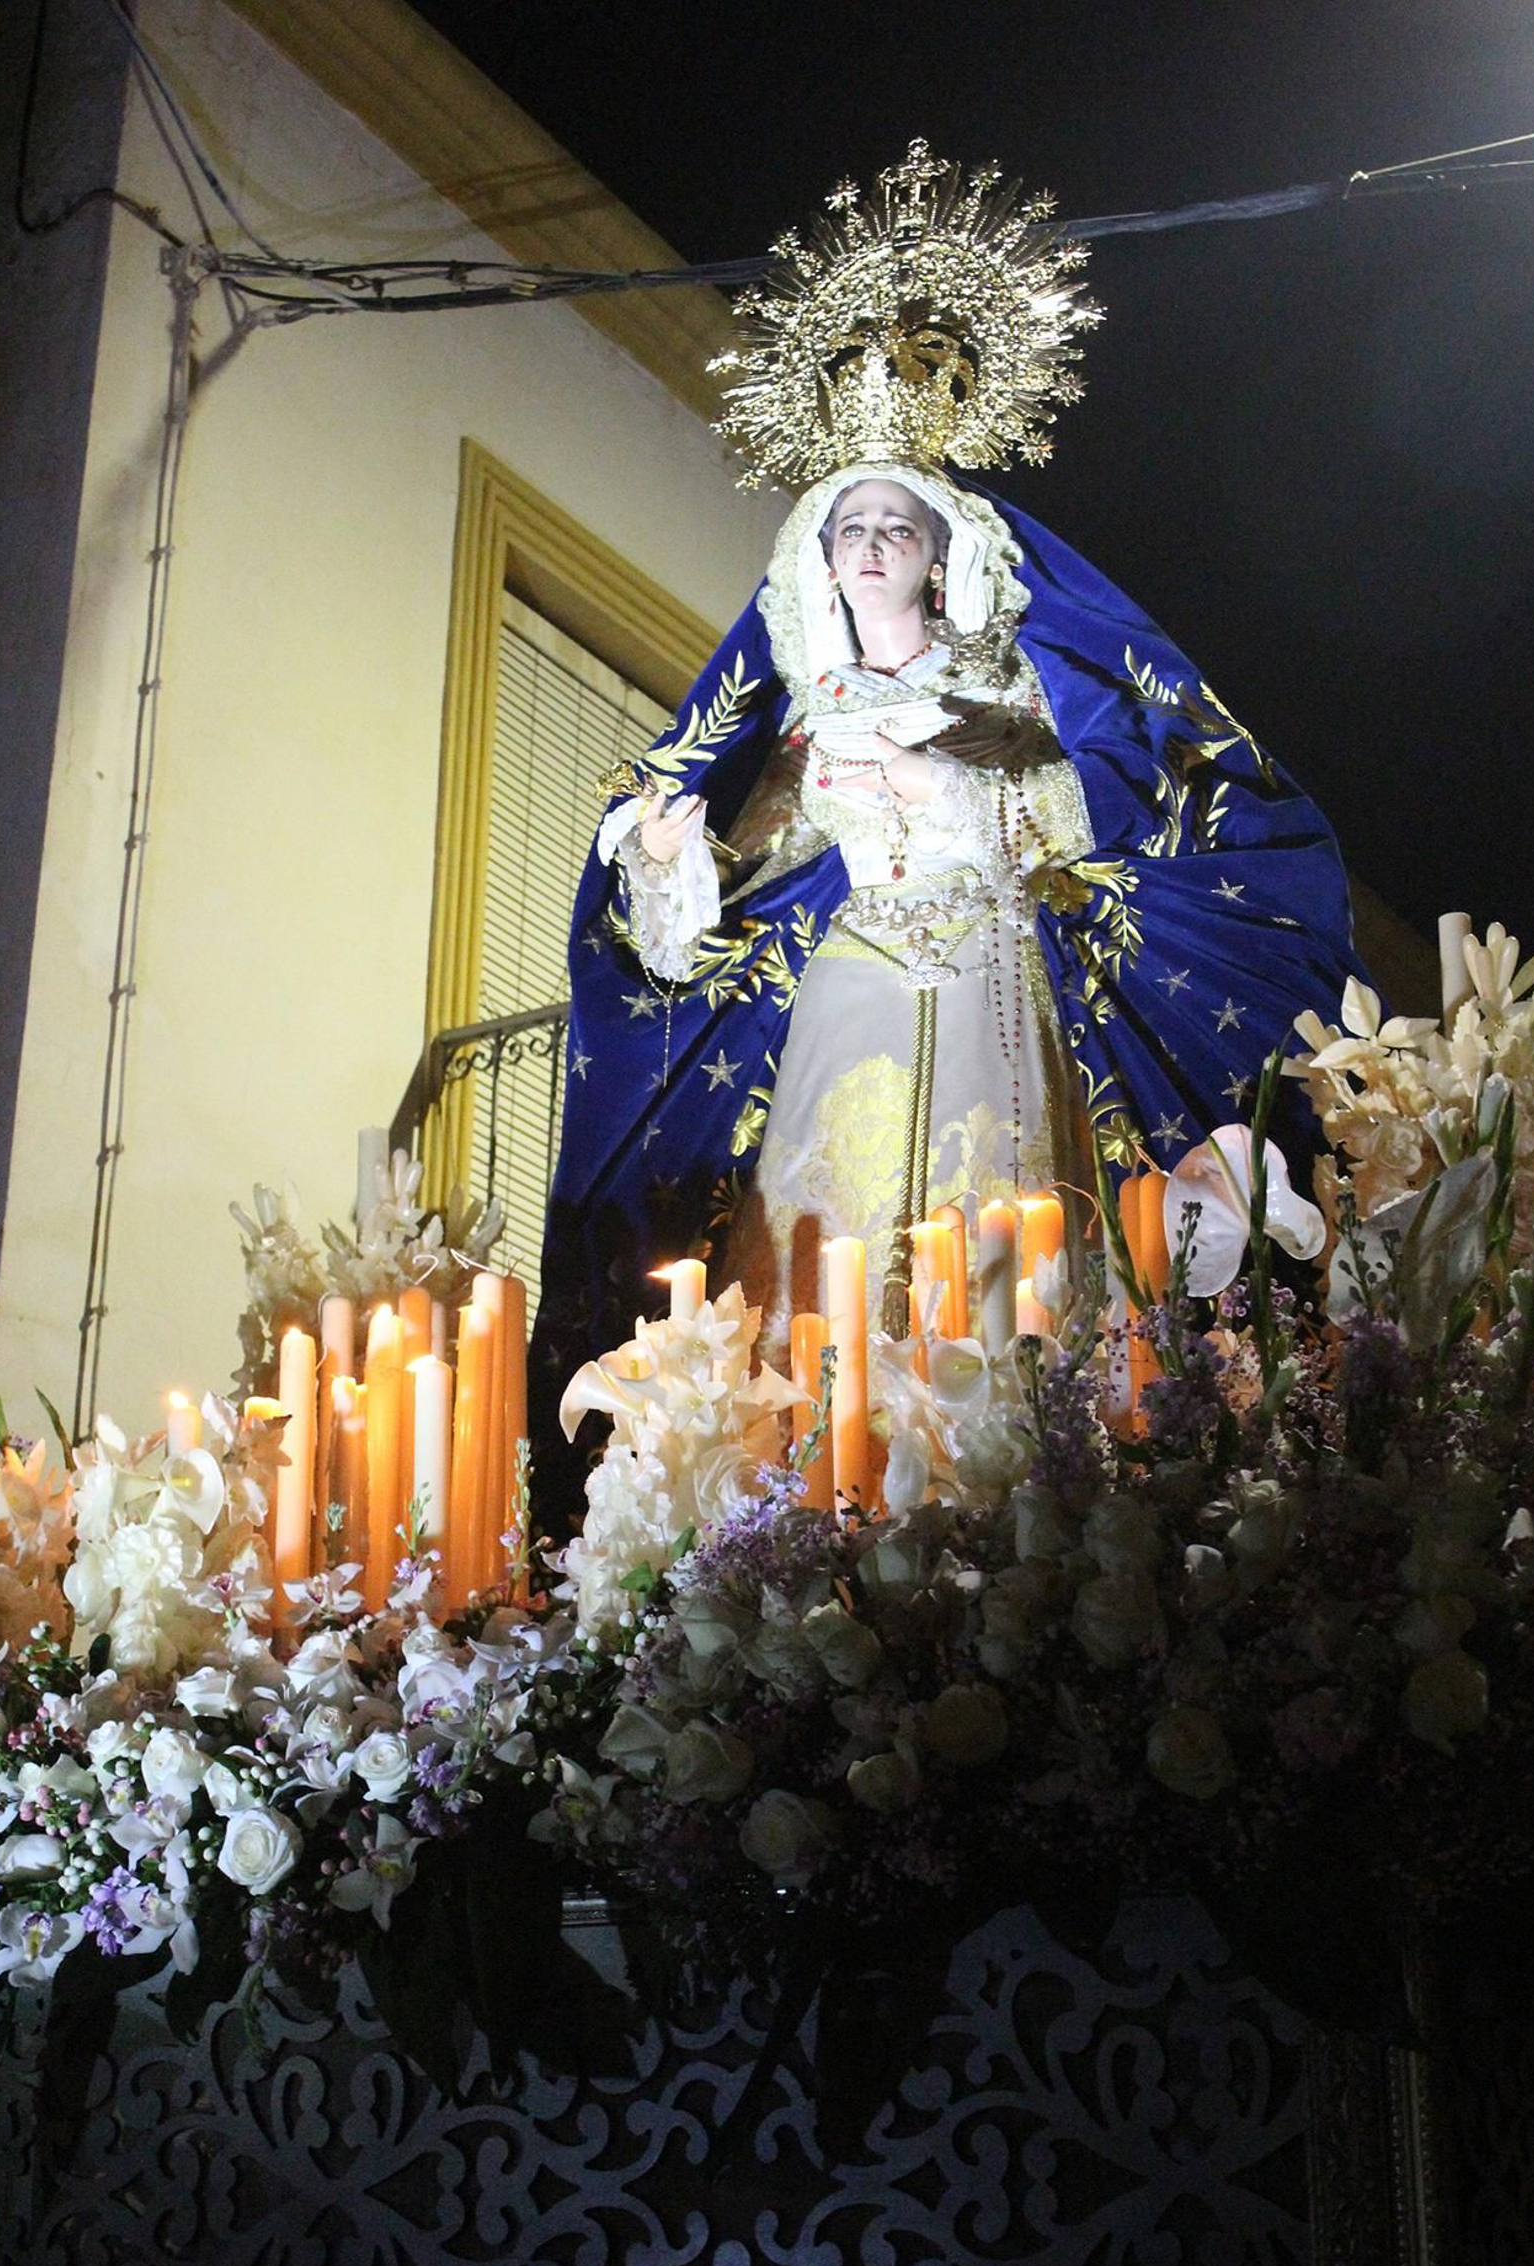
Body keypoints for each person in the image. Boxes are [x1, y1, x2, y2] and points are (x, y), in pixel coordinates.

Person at [528, 148, 1365, 1514]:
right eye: (848, 524)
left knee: (996, 1236)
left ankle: (998, 1477)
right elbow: (718, 916)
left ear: (940, 550)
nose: (869, 544)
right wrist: (672, 865)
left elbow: (1067, 817)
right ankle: (804, 1484)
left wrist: (952, 779)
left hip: (985, 974)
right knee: (825, 1229)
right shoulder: (799, 714)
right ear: (818, 553)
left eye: (895, 526)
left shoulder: (1007, 693)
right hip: (853, 984)